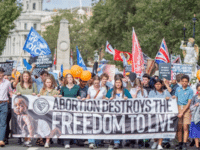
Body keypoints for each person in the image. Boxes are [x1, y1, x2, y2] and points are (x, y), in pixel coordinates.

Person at [106, 76, 132, 149]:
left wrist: (127, 98)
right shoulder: (111, 91)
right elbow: (105, 98)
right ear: (114, 83)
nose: (118, 84)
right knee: (115, 127)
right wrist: (109, 99)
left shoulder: (125, 91)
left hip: (123, 112)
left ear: (121, 83)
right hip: (113, 112)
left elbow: (132, 99)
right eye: (116, 82)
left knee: (122, 127)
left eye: (119, 82)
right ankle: (116, 142)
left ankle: (120, 141)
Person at [15, 71, 38, 147]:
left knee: (29, 123)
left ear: (29, 77)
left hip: (31, 107)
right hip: (22, 108)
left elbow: (37, 94)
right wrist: (17, 94)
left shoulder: (33, 85)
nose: (25, 78)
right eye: (24, 76)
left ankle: (29, 139)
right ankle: (25, 139)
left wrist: (35, 94)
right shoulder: (19, 85)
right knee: (24, 124)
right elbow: (16, 96)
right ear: (22, 77)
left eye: (27, 76)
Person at [149, 79, 171, 150]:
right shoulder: (151, 92)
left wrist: (170, 98)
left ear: (161, 85)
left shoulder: (166, 92)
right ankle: (155, 141)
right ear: (154, 85)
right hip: (154, 114)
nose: (158, 85)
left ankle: (159, 144)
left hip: (163, 114)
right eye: (156, 84)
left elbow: (172, 100)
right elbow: (149, 102)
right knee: (155, 129)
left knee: (161, 128)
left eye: (159, 84)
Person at [59, 73, 80, 149]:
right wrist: (60, 96)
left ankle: (73, 140)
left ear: (73, 78)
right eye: (68, 77)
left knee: (73, 125)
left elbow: (79, 95)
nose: (70, 78)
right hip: (65, 109)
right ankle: (66, 142)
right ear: (66, 79)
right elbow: (60, 96)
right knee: (66, 125)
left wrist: (79, 97)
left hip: (74, 109)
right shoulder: (63, 88)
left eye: (71, 77)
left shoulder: (77, 87)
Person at [37, 76, 59, 148]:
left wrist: (58, 97)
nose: (48, 84)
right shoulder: (42, 90)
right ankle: (44, 139)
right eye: (47, 82)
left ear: (51, 83)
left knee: (49, 126)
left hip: (51, 111)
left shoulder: (55, 91)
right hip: (43, 111)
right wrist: (38, 96)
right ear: (45, 83)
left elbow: (58, 101)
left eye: (50, 82)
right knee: (43, 125)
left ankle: (47, 141)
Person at [173, 75, 193, 150]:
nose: (184, 83)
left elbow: (189, 103)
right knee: (179, 127)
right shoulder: (178, 89)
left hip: (186, 109)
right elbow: (176, 98)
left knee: (185, 127)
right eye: (183, 81)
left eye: (186, 81)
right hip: (178, 108)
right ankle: (180, 143)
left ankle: (184, 144)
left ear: (188, 82)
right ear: (181, 81)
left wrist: (182, 112)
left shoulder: (190, 90)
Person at [86, 76, 107, 149]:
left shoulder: (103, 89)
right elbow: (88, 98)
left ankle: (97, 142)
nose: (96, 84)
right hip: (91, 109)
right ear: (93, 82)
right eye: (95, 83)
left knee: (98, 125)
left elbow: (104, 98)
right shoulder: (90, 88)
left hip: (100, 110)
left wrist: (107, 99)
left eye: (98, 83)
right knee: (91, 125)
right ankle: (91, 142)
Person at [0, 67, 13, 147]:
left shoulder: (7, 82)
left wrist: (15, 96)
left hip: (4, 103)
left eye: (2, 73)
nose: (0, 75)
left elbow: (10, 92)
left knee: (3, 123)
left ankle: (1, 140)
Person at [189, 84, 200, 150]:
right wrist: (195, 105)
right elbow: (190, 107)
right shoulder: (194, 97)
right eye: (198, 90)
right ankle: (197, 146)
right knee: (195, 132)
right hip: (195, 117)